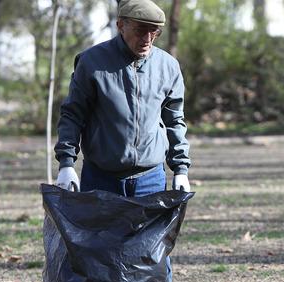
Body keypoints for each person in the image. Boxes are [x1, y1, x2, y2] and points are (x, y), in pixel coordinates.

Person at [54, 0, 190, 195]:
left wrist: (181, 169)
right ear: (120, 25)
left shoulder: (168, 66)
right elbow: (73, 115)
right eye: (140, 30)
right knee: (103, 227)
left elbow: (174, 120)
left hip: (151, 180)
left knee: (150, 228)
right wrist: (66, 163)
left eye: (154, 32)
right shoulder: (91, 62)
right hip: (101, 178)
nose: (148, 39)